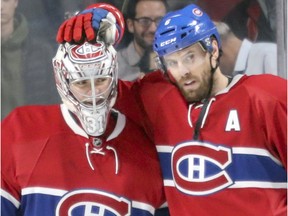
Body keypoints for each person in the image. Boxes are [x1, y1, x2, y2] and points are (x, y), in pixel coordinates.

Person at [56, 3, 287, 215]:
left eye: (190, 57)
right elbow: (97, 86)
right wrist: (105, 21)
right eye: (172, 62)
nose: (183, 71)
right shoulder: (158, 100)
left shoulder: (265, 97)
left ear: (213, 49)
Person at [1, 6, 168, 215]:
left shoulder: (147, 143)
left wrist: (107, 16)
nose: (93, 93)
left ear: (114, 75)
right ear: (62, 80)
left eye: (100, 80)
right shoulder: (21, 130)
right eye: (81, 83)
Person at [1, 0, 60, 120]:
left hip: (34, 132)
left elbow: (54, 102)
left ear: (15, 2)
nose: (0, 6)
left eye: (6, 0)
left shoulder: (41, 52)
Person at [116, 0, 168, 81]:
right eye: (145, 21)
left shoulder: (178, 60)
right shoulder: (114, 67)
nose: (153, 29)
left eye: (160, 21)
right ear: (130, 25)